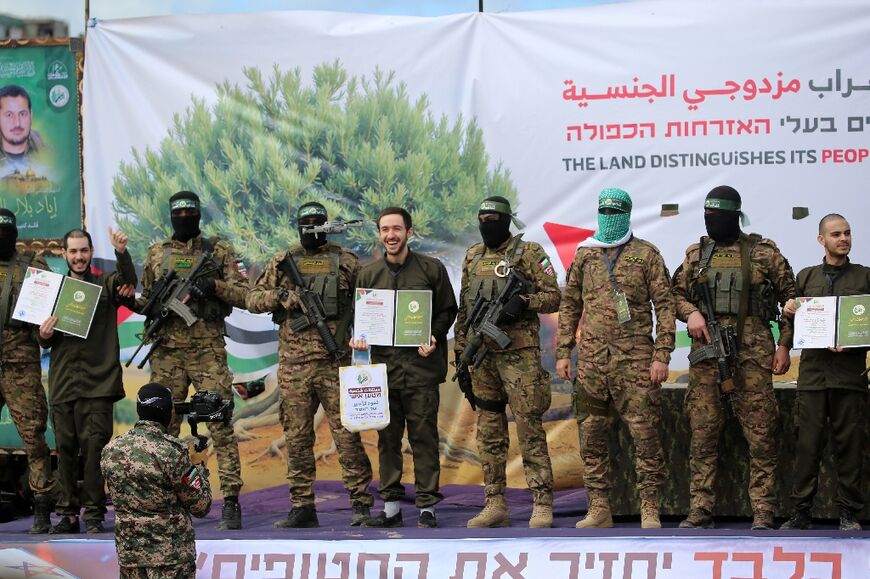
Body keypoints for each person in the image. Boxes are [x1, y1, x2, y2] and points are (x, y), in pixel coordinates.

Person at [672, 185, 795, 530]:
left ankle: (763, 510)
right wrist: (691, 313)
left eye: (719, 217)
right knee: (703, 434)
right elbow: (674, 295)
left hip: (754, 359)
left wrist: (785, 344)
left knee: (762, 435)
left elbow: (793, 301)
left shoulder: (764, 253)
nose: (712, 222)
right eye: (708, 216)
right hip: (708, 359)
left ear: (735, 216)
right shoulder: (697, 254)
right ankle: (700, 509)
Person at [246, 201, 373, 528]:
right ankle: (302, 505)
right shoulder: (283, 261)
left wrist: (356, 336)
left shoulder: (346, 261)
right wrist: (281, 298)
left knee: (346, 435)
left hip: (336, 362)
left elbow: (368, 303)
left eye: (317, 222)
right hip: (294, 366)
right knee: (298, 435)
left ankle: (360, 502)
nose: (311, 228)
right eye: (306, 223)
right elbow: (252, 300)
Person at [555, 188, 675, 529]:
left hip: (636, 361)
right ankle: (598, 508)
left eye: (615, 213)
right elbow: (570, 306)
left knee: (645, 435)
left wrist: (662, 354)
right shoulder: (585, 255)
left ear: (627, 214)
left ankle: (649, 507)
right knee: (591, 436)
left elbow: (665, 307)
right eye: (604, 213)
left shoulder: (646, 255)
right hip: (592, 363)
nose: (610, 220)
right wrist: (564, 351)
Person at [136, 190, 247, 530]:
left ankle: (230, 501)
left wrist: (212, 286)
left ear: (198, 214)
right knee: (163, 429)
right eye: (178, 213)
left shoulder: (219, 251)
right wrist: (155, 304)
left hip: (208, 351)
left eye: (190, 212)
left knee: (220, 424)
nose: (184, 217)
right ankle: (166, 500)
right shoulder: (157, 254)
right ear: (171, 216)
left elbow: (243, 293)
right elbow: (145, 301)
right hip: (168, 351)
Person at [455, 196, 560, 529]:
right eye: (482, 217)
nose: (487, 223)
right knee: (489, 432)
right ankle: (495, 502)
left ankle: (541, 503)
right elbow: (464, 307)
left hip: (520, 359)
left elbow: (555, 296)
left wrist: (524, 301)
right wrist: (461, 350)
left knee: (529, 430)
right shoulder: (473, 256)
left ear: (506, 220)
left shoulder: (529, 254)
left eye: (493, 218)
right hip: (483, 357)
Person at [349, 207, 457, 528]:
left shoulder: (431, 269)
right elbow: (361, 322)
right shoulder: (368, 275)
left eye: (397, 229)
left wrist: (434, 336)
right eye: (385, 229)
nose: (391, 235)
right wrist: (359, 341)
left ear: (409, 232)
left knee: (424, 438)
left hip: (421, 370)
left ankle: (426, 506)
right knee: (388, 441)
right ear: (379, 234)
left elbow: (447, 311)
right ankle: (392, 508)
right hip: (383, 373)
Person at [38, 228, 137, 534]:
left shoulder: (106, 285)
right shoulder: (52, 291)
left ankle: (94, 514)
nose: (79, 256)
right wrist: (44, 334)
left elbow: (127, 282)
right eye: (73, 251)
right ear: (64, 254)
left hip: (98, 383)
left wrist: (121, 253)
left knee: (95, 451)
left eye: (84, 251)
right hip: (64, 383)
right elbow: (42, 339)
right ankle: (67, 514)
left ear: (91, 252)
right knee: (65, 450)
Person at [780, 214, 869, 531]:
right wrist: (788, 313)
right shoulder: (806, 277)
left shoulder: (864, 277)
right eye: (836, 234)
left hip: (850, 376)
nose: (843, 238)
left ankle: (849, 512)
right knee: (807, 445)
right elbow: (790, 321)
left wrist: (856, 341)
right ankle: (801, 512)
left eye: (847, 233)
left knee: (850, 446)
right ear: (822, 240)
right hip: (814, 376)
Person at [101, 383, 212, 579]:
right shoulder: (170, 452)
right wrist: (199, 467)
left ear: (139, 410)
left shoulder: (111, 449)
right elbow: (201, 506)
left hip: (130, 556)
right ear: (169, 413)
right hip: (170, 558)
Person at [0, 208, 56, 534]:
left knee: (34, 440)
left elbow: (42, 326)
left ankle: (43, 509)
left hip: (21, 368)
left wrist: (44, 334)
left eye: (7, 231)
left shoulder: (34, 269)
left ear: (16, 233)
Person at [0, 85, 45, 174]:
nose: (17, 123)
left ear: (31, 115)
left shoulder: (47, 154)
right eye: (9, 115)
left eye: (22, 114)